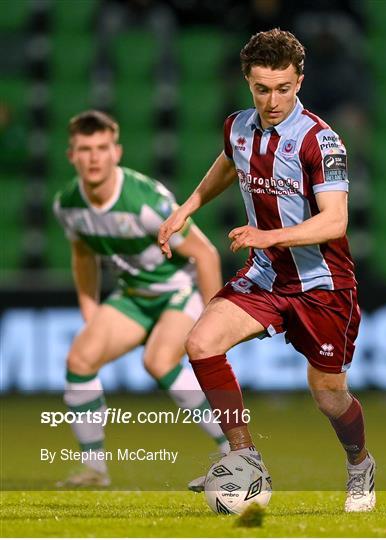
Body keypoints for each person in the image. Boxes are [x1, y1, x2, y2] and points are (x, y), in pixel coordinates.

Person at [158, 29, 376, 512]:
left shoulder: (321, 140)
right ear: (248, 83)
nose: (272, 100)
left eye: (283, 88)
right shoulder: (238, 126)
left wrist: (270, 236)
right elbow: (229, 163)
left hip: (322, 286)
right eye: (262, 89)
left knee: (328, 396)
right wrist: (187, 205)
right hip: (265, 277)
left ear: (300, 81)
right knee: (200, 344)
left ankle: (360, 464)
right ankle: (245, 459)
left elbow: (335, 220)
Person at [53, 110, 229, 487]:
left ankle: (232, 450)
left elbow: (205, 254)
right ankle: (94, 469)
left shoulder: (144, 200)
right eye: (85, 149)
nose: (94, 157)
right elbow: (83, 254)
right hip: (133, 294)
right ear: (72, 155)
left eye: (102, 148)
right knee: (79, 360)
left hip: (178, 290)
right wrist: (89, 307)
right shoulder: (67, 205)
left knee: (159, 360)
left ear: (117, 152)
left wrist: (216, 320)